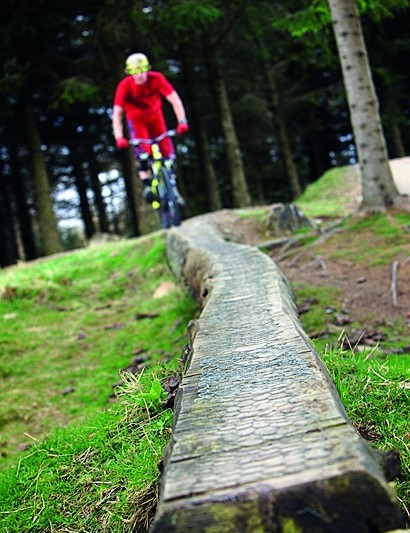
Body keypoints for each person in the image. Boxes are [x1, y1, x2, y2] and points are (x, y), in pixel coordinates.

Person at [112, 53, 189, 204]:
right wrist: (119, 136)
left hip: (156, 118)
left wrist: (182, 121)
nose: (140, 75)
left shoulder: (157, 79)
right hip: (137, 121)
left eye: (143, 70)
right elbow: (117, 113)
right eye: (135, 72)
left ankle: (172, 188)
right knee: (143, 154)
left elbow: (174, 99)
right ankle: (148, 186)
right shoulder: (125, 86)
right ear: (129, 73)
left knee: (168, 153)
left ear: (148, 69)